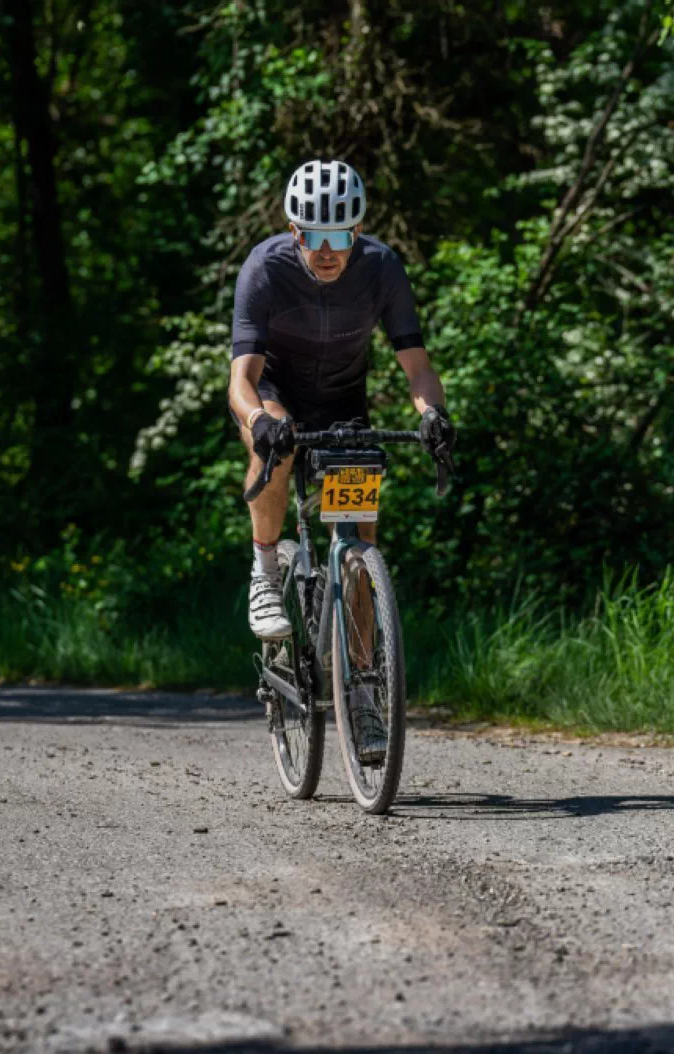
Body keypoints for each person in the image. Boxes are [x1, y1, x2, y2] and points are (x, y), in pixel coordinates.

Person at [227, 160, 455, 760]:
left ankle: (362, 693)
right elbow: (240, 381)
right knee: (270, 449)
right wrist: (259, 421)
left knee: (357, 540)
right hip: (274, 392)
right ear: (294, 230)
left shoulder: (380, 268)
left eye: (340, 236)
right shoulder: (265, 268)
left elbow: (417, 364)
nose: (327, 251)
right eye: (313, 235)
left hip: (341, 403)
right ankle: (265, 570)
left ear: (357, 232)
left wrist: (431, 412)